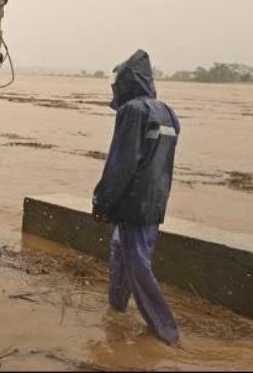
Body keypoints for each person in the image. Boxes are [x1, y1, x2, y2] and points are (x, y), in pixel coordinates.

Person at [92, 49, 181, 346]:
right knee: (122, 248)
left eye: (117, 81)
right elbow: (162, 163)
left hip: (133, 201)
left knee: (136, 260)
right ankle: (117, 308)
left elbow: (122, 161)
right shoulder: (168, 112)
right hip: (156, 200)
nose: (114, 87)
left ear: (127, 82)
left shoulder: (133, 110)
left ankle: (165, 331)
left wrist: (103, 200)